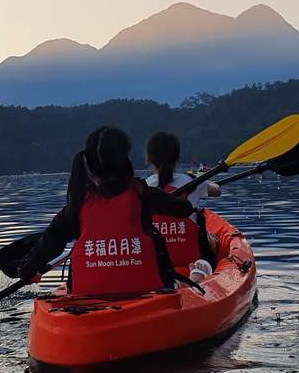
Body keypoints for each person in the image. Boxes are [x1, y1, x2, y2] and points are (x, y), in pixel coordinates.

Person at [16, 126, 193, 296]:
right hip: (147, 293)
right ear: (125, 160)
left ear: (88, 164)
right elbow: (184, 210)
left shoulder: (76, 206)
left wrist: (28, 270)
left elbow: (50, 243)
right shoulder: (142, 194)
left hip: (87, 300)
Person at [144, 131, 219, 270]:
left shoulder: (143, 187)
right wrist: (203, 178)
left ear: (148, 158)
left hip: (158, 262)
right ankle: (201, 270)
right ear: (177, 157)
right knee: (212, 239)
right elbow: (217, 191)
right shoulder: (192, 181)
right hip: (191, 258)